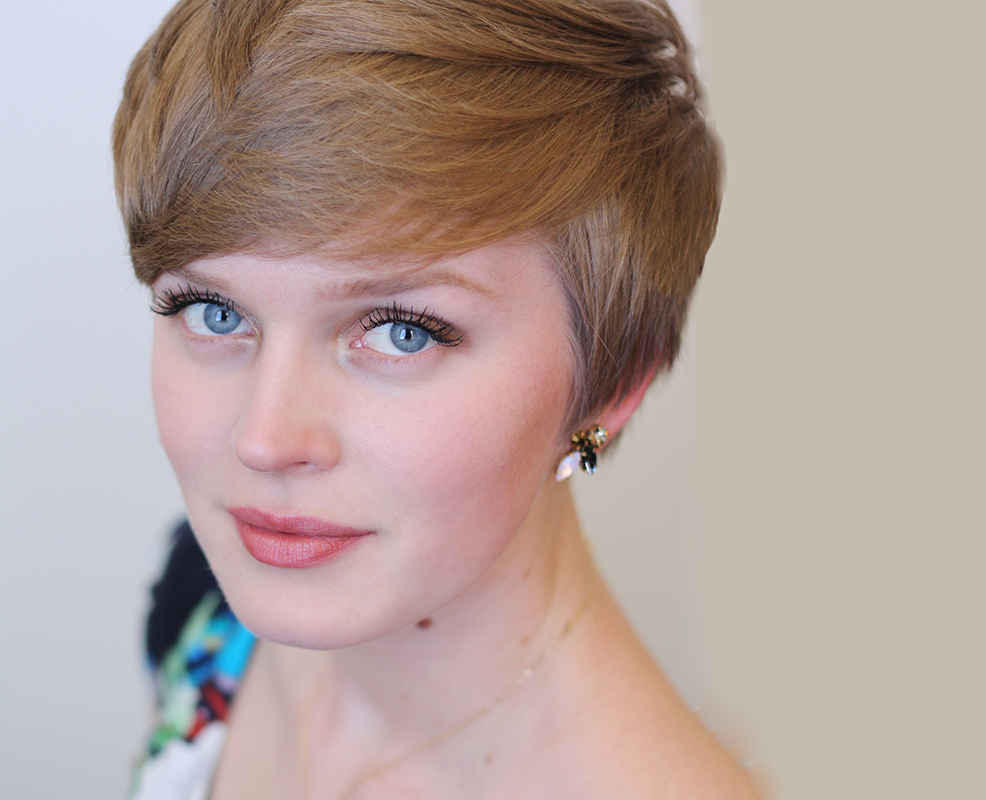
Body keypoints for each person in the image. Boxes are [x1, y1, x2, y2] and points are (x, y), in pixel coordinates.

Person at [113, 0, 756, 797]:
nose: (264, 440)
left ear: (612, 386)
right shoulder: (204, 605)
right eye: (214, 312)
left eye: (401, 333)